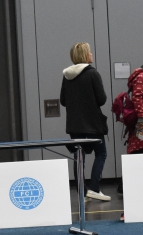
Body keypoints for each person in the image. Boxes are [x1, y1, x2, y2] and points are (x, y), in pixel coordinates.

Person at [59, 42, 110, 202]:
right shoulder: (93, 73)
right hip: (93, 123)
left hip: (74, 125)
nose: (91, 54)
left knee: (79, 157)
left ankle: (82, 192)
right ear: (84, 55)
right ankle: (94, 188)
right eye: (89, 52)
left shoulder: (67, 76)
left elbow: (63, 101)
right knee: (101, 153)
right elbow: (101, 99)